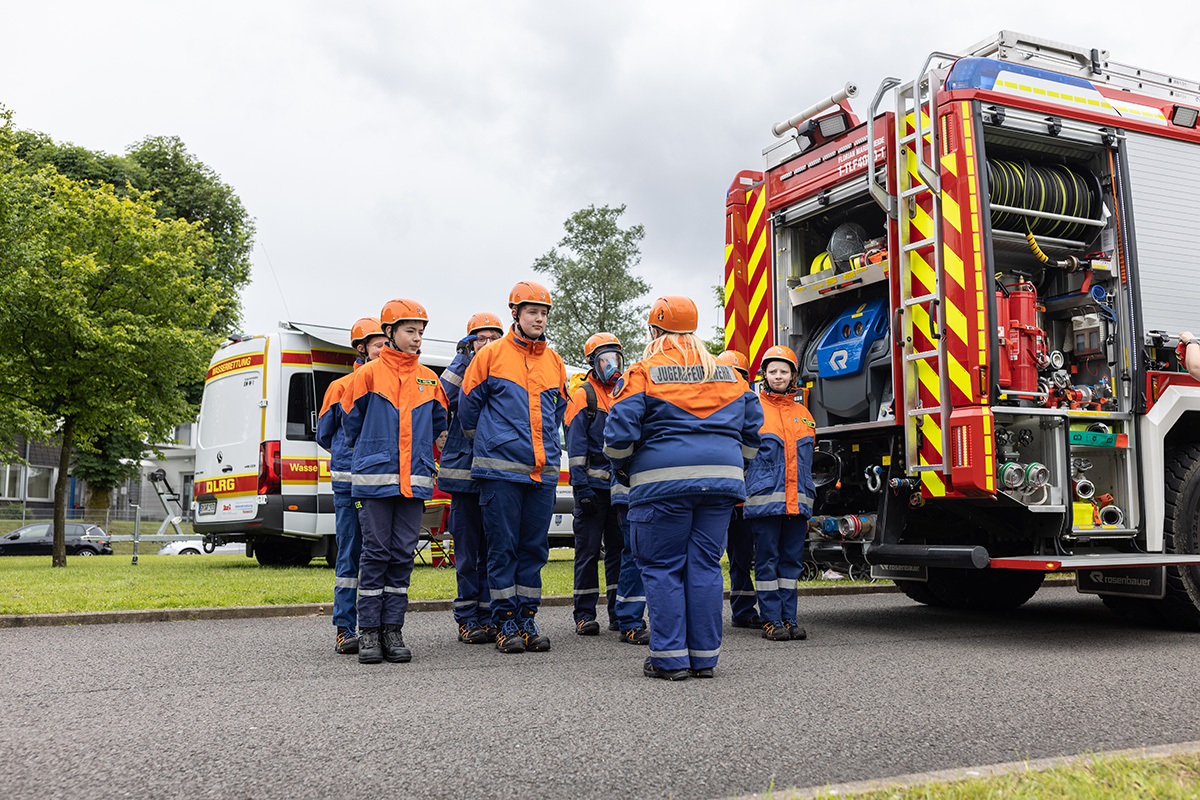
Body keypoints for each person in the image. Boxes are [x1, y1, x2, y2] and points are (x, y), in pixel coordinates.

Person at [605, 296, 762, 680]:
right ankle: (705, 658)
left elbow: (618, 436)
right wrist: (733, 466)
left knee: (662, 568)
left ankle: (671, 659)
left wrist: (623, 467)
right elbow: (754, 432)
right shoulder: (729, 375)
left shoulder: (644, 371)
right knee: (706, 566)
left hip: (662, 486)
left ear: (655, 330)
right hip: (721, 485)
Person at [459, 281, 568, 654]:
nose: (539, 318)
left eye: (543, 312)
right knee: (502, 549)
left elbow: (556, 414)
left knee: (534, 549)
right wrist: (496, 441)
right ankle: (504, 621)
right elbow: (468, 412)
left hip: (542, 473)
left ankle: (526, 617)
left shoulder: (554, 361)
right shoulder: (490, 356)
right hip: (500, 471)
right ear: (515, 314)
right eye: (532, 311)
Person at [341, 298, 447, 664]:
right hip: (374, 481)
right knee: (375, 554)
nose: (417, 339)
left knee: (402, 554)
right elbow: (350, 423)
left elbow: (439, 425)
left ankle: (393, 629)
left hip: (414, 482)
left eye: (420, 333)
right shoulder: (366, 376)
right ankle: (368, 631)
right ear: (389, 333)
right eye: (410, 332)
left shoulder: (429, 379)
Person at [566, 333, 647, 642]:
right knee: (587, 552)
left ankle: (617, 612)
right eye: (604, 359)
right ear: (592, 363)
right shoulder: (583, 396)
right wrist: (581, 487)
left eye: (615, 358)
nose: (611, 365)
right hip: (592, 490)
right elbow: (575, 448)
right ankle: (585, 615)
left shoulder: (625, 392)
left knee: (619, 551)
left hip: (619, 490)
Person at [315, 316, 387, 655]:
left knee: (380, 557)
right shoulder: (340, 386)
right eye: (378, 344)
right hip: (348, 485)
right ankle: (345, 628)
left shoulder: (390, 384)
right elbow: (325, 435)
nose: (385, 349)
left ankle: (377, 626)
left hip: (380, 486)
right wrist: (351, 456)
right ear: (361, 349)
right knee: (349, 557)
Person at [438, 312, 504, 645]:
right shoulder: (462, 369)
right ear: (469, 343)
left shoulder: (504, 370)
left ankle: (490, 616)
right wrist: (461, 360)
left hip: (496, 474)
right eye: (481, 338)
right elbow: (443, 395)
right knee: (466, 553)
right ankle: (467, 619)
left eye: (495, 338)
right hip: (463, 477)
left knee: (492, 551)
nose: (488, 344)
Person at [743, 345, 815, 642]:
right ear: (764, 374)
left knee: (791, 564)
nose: (777, 376)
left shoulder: (804, 414)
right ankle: (770, 620)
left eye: (783, 371)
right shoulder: (753, 408)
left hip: (797, 502)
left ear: (793, 376)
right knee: (767, 560)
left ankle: (790, 617)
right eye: (772, 371)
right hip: (765, 502)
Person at [715, 349, 760, 629]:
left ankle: (743, 610)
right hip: (720, 495)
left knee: (742, 558)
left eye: (739, 376)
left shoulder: (752, 406)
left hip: (743, 498)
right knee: (706, 558)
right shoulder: (711, 407)